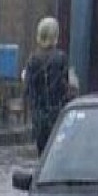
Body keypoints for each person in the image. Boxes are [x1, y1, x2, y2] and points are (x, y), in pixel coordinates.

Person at [23, 17, 69, 156]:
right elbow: (65, 87)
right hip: (57, 115)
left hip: (39, 117)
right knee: (56, 153)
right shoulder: (61, 58)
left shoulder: (32, 59)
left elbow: (28, 89)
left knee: (42, 154)